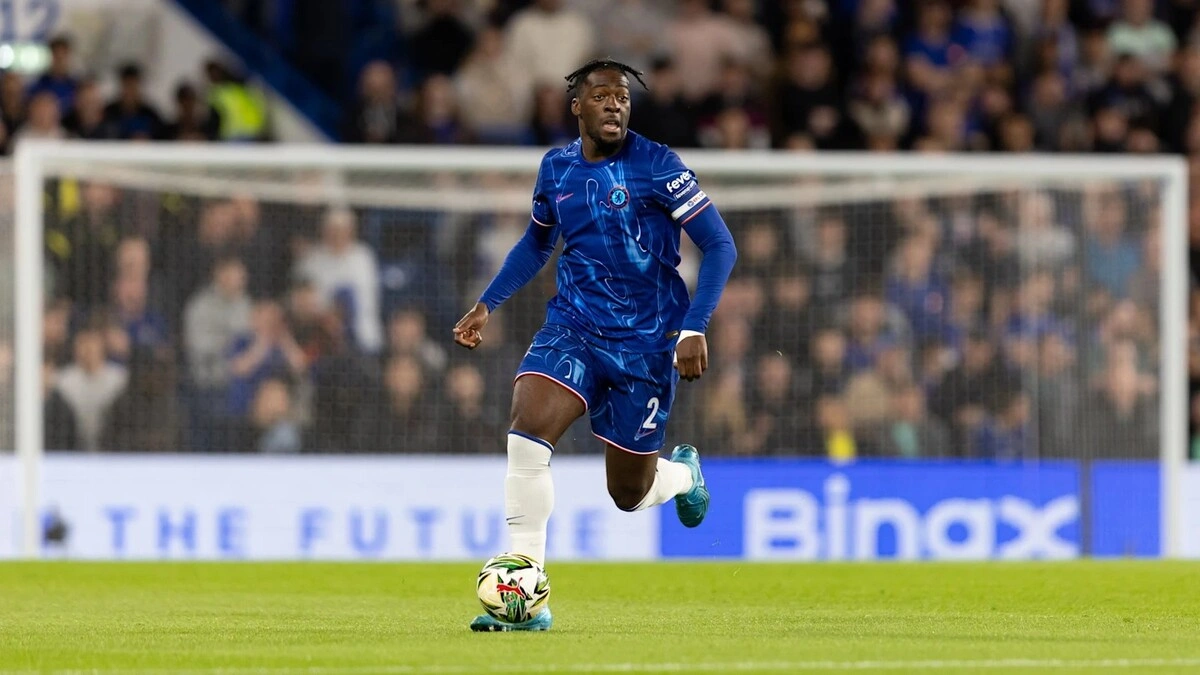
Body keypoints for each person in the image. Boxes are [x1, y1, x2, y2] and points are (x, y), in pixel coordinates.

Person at [453, 59, 737, 632]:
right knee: (528, 428)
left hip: (647, 343)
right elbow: (537, 244)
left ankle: (683, 475)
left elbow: (720, 245)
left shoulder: (658, 164)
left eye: (623, 97)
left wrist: (694, 326)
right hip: (575, 327)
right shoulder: (556, 168)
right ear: (577, 107)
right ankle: (524, 589)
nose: (615, 104)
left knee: (628, 494)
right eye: (602, 95)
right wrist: (487, 303)